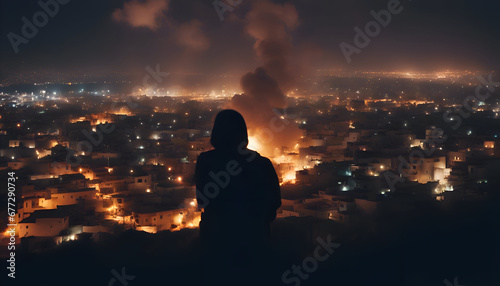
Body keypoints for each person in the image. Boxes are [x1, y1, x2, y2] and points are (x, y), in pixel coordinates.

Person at [195, 109, 281, 286]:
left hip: (217, 246)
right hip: (255, 242)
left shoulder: (206, 161)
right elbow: (274, 203)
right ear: (243, 134)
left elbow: (202, 201)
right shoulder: (262, 164)